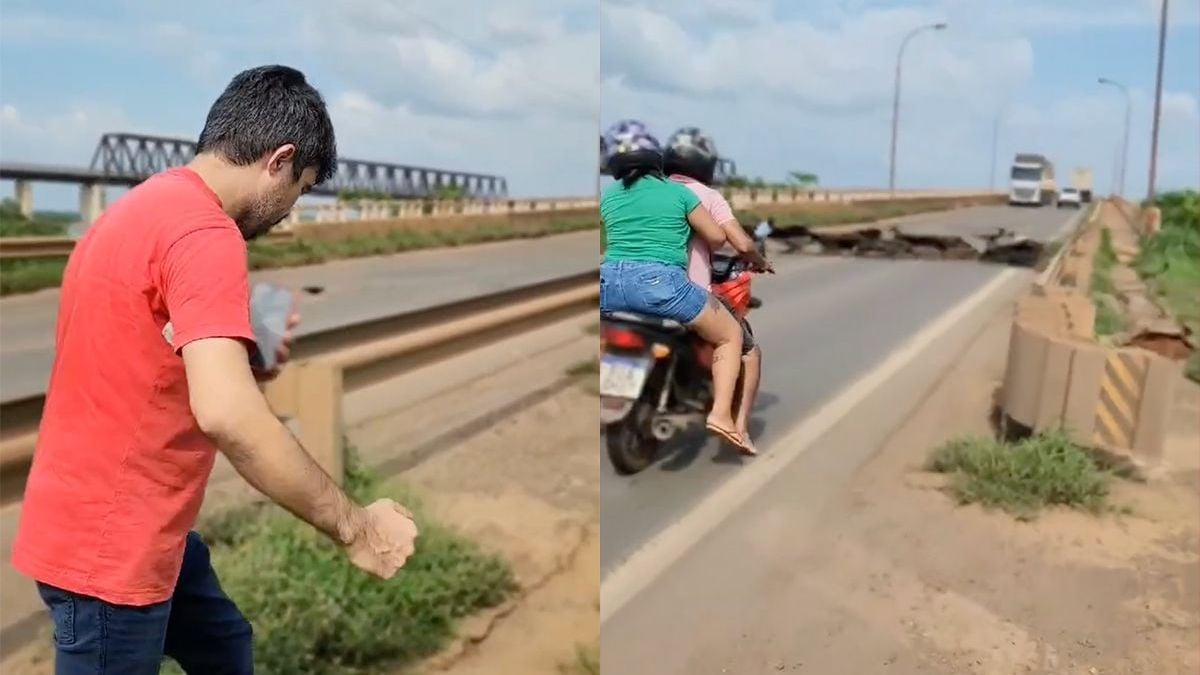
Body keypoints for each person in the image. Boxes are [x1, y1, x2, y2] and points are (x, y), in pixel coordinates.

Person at [11, 65, 419, 674]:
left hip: (115, 517)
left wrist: (243, 360)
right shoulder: (207, 234)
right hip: (112, 548)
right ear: (278, 160)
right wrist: (358, 529)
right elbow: (228, 415)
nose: (288, 211)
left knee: (224, 647)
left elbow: (136, 352)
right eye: (300, 189)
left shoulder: (139, 208)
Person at [599, 121, 749, 452]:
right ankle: (722, 416)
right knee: (730, 335)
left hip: (609, 286)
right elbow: (717, 237)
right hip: (659, 286)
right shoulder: (678, 193)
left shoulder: (610, 198)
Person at [664, 127, 773, 455]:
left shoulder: (648, 192)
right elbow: (738, 242)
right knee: (744, 348)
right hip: (686, 295)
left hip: (629, 290)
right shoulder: (707, 197)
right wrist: (759, 260)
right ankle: (734, 425)